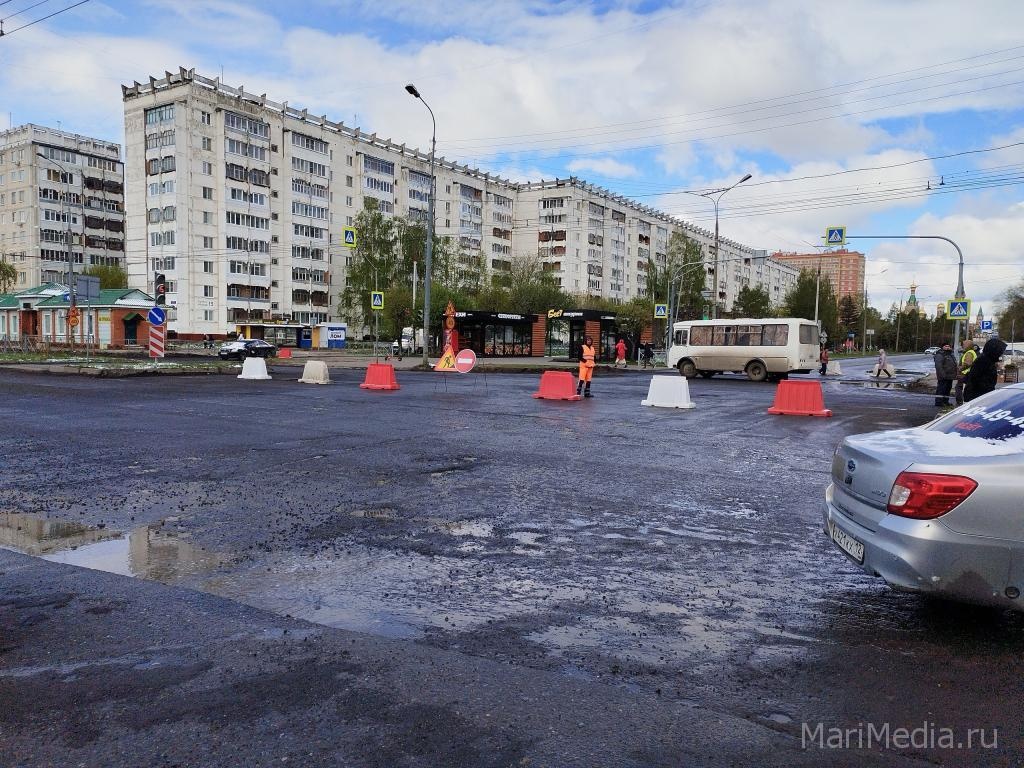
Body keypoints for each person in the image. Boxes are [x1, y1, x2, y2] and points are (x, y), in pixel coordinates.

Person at [963, 337, 1007, 402]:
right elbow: (975, 378)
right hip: (977, 395)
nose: (1001, 353)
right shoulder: (983, 360)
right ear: (994, 350)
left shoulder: (989, 359)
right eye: (1000, 351)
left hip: (982, 394)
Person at [933, 341, 958, 407]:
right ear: (942, 347)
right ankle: (939, 402)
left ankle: (945, 401)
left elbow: (954, 364)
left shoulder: (950, 354)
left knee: (947, 390)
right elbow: (938, 366)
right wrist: (943, 375)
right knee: (941, 389)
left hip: (950, 376)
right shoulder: (940, 354)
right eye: (945, 346)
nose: (947, 347)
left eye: (948, 346)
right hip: (943, 376)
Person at [955, 338, 977, 406]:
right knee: (962, 388)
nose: (962, 346)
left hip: (965, 375)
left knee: (959, 388)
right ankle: (963, 402)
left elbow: (967, 363)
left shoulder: (969, 353)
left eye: (964, 345)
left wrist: (960, 369)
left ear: (967, 345)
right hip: (968, 374)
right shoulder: (971, 352)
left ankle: (961, 403)